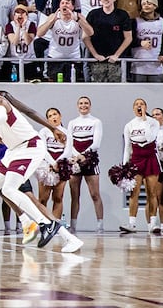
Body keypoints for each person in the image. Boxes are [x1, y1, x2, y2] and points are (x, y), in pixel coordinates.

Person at [0, 76, 83, 253]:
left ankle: (45, 223)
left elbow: (2, 116)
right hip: (14, 150)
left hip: (29, 147)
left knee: (8, 189)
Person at [120, 98, 162, 233]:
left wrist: (144, 119)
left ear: (146, 107)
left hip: (150, 158)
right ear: (133, 108)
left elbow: (150, 138)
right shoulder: (129, 125)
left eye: (142, 104)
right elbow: (127, 147)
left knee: (152, 192)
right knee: (134, 192)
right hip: (136, 160)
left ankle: (153, 224)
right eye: (137, 104)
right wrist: (124, 166)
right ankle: (132, 224)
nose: (139, 106)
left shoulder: (153, 123)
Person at [66, 96, 104, 233]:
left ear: (90, 105)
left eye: (86, 103)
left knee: (95, 194)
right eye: (81, 103)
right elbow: (69, 143)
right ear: (77, 106)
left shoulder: (96, 122)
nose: (83, 105)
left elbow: (96, 143)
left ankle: (100, 226)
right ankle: (73, 226)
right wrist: (77, 156)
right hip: (75, 161)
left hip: (90, 161)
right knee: (75, 195)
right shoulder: (72, 123)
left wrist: (84, 155)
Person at [36, 107, 74, 226]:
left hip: (61, 167)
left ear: (60, 116)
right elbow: (42, 150)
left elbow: (68, 150)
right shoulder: (43, 132)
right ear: (47, 120)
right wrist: (52, 163)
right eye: (50, 116)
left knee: (58, 197)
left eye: (55, 114)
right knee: (43, 198)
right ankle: (43, 224)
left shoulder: (67, 132)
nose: (53, 117)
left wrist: (58, 163)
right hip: (46, 167)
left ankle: (55, 225)